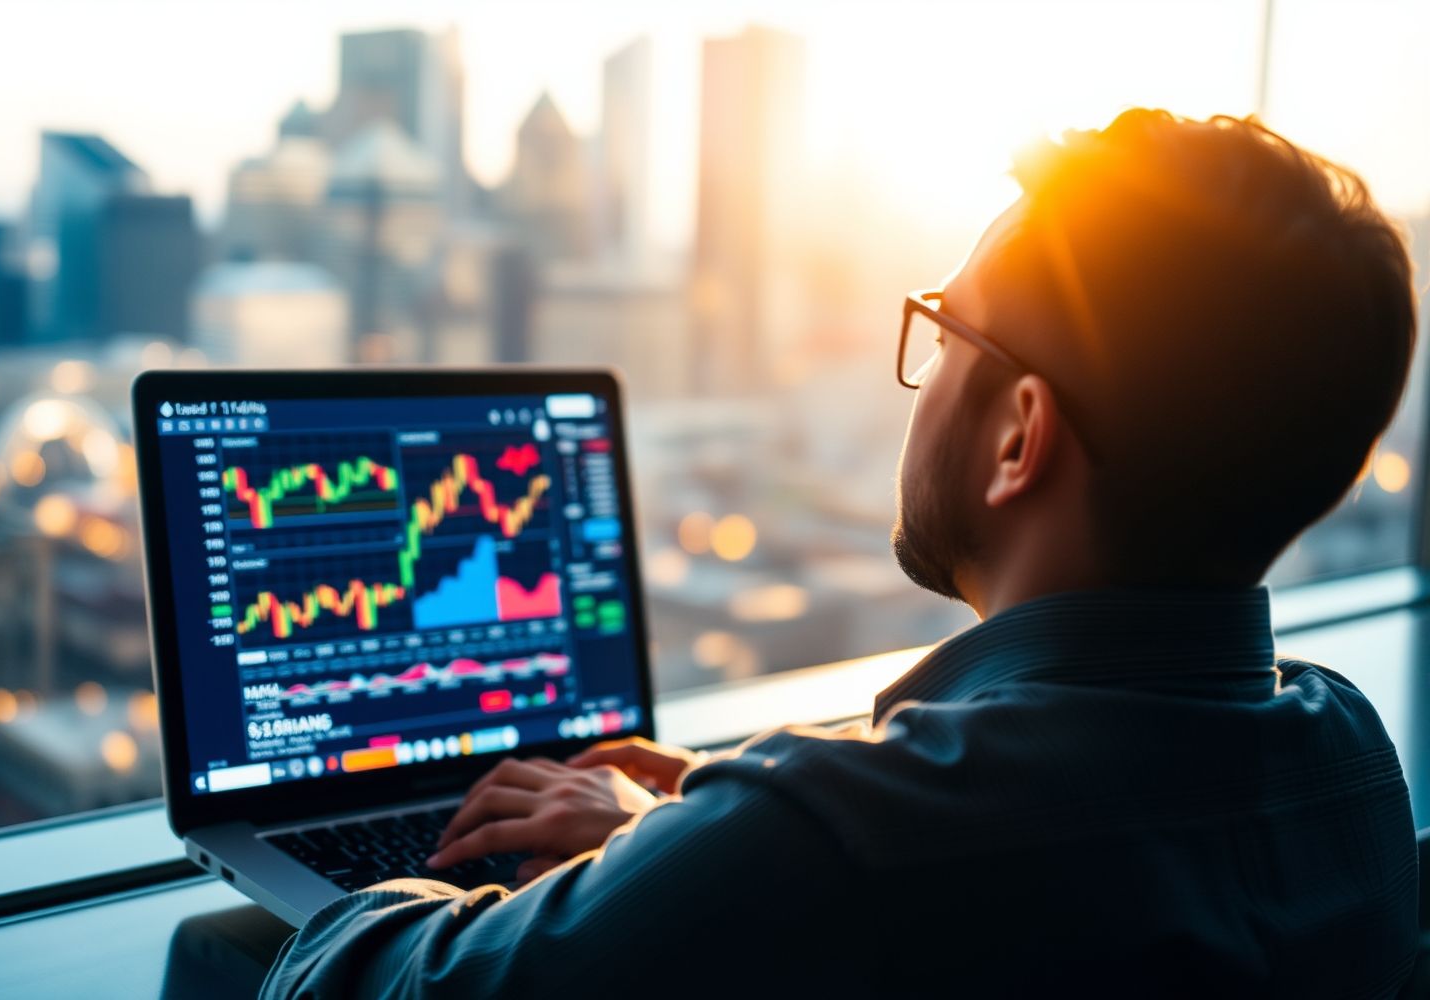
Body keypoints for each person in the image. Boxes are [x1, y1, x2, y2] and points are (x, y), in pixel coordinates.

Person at [259, 109, 1420, 998]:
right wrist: (676, 852)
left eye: (947, 330)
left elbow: (342, 984)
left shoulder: (832, 839)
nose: (921, 373)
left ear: (1017, 437)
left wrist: (705, 855)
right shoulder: (1354, 762)